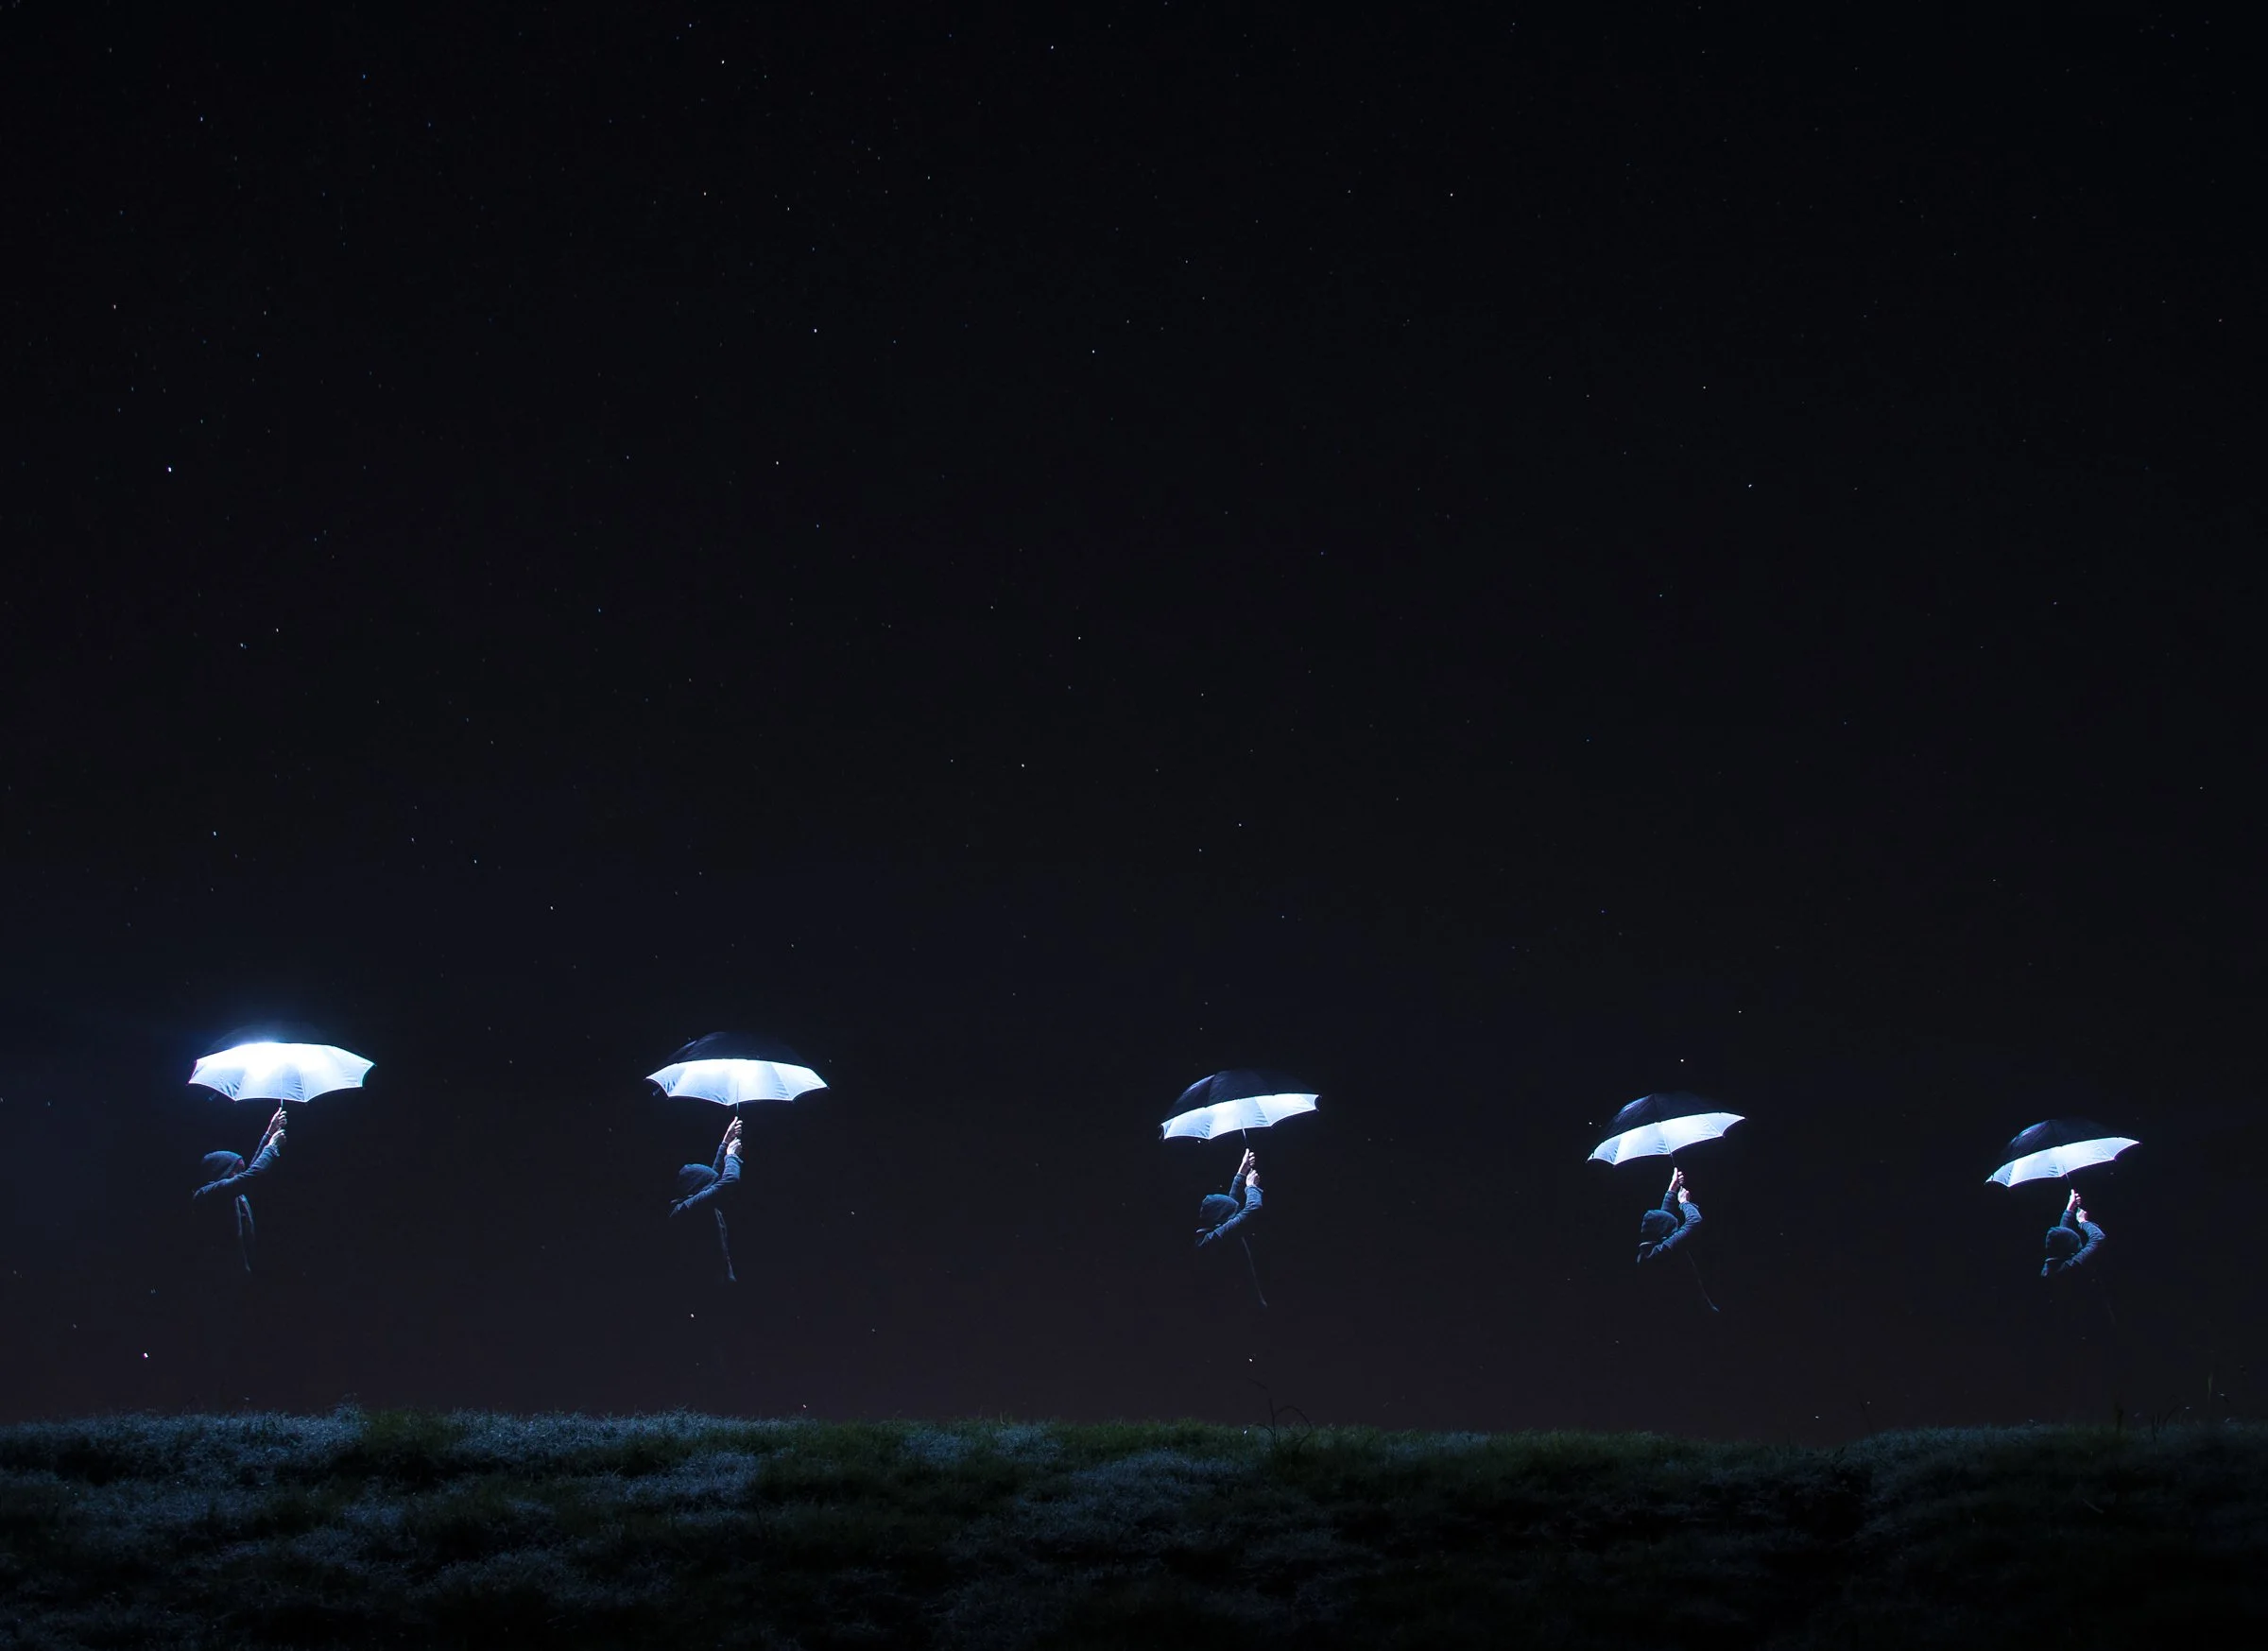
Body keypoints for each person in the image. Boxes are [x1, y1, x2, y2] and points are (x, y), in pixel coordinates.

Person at [193, 1105, 286, 1273]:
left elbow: (250, 1173)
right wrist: (272, 1147)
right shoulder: (211, 1193)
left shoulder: (232, 1194)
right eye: (237, 1170)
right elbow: (251, 1176)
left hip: (238, 1272)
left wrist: (269, 1133)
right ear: (223, 1171)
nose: (240, 1174)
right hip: (218, 1277)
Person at [670, 1114, 743, 1282]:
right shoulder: (686, 1209)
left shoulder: (695, 1201)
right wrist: (731, 1156)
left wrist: (726, 1142)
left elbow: (714, 1177)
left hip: (714, 1282)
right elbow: (728, 1181)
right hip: (702, 1287)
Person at [1636, 1166, 1704, 1264]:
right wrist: (1684, 1203)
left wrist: (1673, 1188)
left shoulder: (1650, 1249)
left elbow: (1664, 1218)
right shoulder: (1659, 1253)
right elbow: (1695, 1221)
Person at [1195, 1148, 1262, 1249]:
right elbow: (1253, 1208)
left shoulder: (1215, 1228)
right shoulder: (1208, 1241)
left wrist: (1242, 1171)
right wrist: (1252, 1187)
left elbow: (1232, 1206)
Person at [2041, 1187, 2105, 1277]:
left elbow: (2062, 1235)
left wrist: (2070, 1207)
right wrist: (2083, 1222)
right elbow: (2098, 1238)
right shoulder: (2069, 1268)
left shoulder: (2053, 1263)